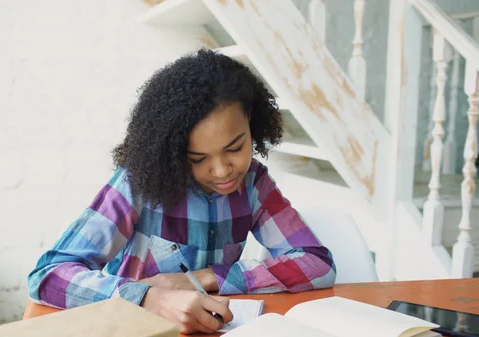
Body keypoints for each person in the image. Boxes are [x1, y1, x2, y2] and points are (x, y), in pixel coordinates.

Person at [27, 49, 336, 334]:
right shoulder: (138, 182)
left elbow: (317, 264)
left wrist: (199, 279)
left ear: (253, 125)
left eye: (235, 148)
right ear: (174, 151)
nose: (222, 170)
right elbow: (49, 275)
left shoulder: (254, 182)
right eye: (197, 159)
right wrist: (151, 297)